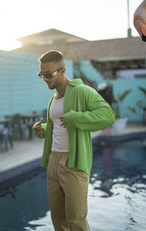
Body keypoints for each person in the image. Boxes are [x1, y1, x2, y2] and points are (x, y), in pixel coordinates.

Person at [33, 50, 115, 231]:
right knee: (58, 220)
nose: (44, 79)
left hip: (73, 163)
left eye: (48, 74)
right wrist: (42, 129)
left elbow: (108, 115)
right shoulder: (54, 98)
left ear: (62, 70)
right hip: (53, 161)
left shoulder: (82, 91)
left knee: (76, 221)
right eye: (41, 74)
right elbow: (57, 125)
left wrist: (76, 118)